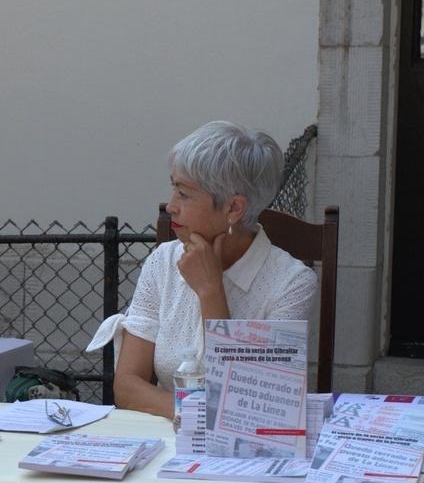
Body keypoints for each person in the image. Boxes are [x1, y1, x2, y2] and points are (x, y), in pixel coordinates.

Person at [87, 121, 317, 418]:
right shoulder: (164, 261)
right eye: (174, 190)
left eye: (183, 194)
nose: (170, 206)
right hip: (169, 440)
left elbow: (255, 403)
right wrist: (198, 415)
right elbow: (128, 387)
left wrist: (211, 291)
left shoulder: (293, 284)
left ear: (233, 208)